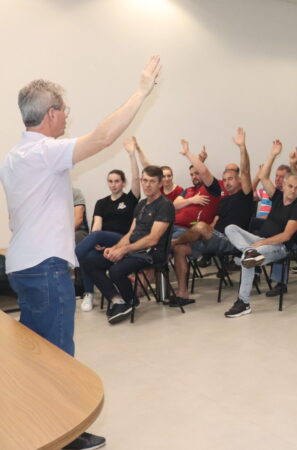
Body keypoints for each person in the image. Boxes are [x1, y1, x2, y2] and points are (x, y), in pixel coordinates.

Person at [0, 56, 161, 450]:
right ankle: (63, 435)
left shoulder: (15, 157)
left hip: (24, 265)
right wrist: (140, 91)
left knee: (40, 357)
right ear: (51, 114)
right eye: (65, 110)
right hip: (46, 266)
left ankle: (46, 427)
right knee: (57, 358)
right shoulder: (44, 152)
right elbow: (103, 137)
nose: (68, 117)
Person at [80, 165, 174, 324]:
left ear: (160, 184)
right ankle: (118, 300)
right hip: (134, 250)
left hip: (151, 252)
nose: (147, 185)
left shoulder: (165, 205)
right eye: (144, 180)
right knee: (89, 261)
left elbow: (153, 239)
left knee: (116, 270)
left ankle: (130, 301)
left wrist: (124, 250)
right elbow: (130, 233)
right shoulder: (141, 204)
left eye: (152, 181)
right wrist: (115, 248)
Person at [171, 127, 255, 304]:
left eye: (231, 178)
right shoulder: (223, 201)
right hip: (214, 240)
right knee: (181, 249)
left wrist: (242, 147)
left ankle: (174, 242)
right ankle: (182, 294)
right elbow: (214, 222)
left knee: (197, 229)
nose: (227, 182)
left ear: (239, 180)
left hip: (232, 241)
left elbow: (246, 170)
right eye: (224, 180)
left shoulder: (245, 196)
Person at [223, 140, 297, 317]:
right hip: (260, 242)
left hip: (279, 248)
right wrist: (273, 155)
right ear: (284, 186)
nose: (293, 191)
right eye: (290, 186)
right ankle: (248, 252)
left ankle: (243, 302)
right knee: (230, 228)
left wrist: (261, 244)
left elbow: (286, 236)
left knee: (248, 258)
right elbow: (263, 176)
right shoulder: (277, 196)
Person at [75, 138, 143, 311]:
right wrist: (97, 242)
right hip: (106, 243)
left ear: (123, 183)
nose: (113, 184)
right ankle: (91, 294)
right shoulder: (101, 202)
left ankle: (72, 258)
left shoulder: (130, 199)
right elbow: (97, 224)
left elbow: (136, 178)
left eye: (117, 181)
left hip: (124, 241)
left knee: (91, 240)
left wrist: (132, 155)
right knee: (87, 257)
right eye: (110, 181)